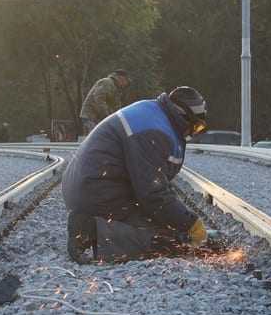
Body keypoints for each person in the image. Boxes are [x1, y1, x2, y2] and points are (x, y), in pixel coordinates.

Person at [62, 86, 210, 264]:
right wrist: (189, 223)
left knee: (166, 223)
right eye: (196, 127)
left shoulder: (153, 113)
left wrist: (182, 219)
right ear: (183, 117)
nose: (192, 134)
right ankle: (90, 229)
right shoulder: (155, 132)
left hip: (93, 186)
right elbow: (153, 194)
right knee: (163, 240)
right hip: (96, 191)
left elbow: (155, 184)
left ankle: (92, 226)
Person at [79, 69, 130, 135]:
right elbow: (98, 97)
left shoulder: (116, 88)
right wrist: (106, 114)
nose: (127, 83)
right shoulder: (108, 83)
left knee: (102, 135)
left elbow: (114, 106)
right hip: (91, 115)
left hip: (98, 117)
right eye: (127, 80)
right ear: (122, 78)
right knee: (96, 136)